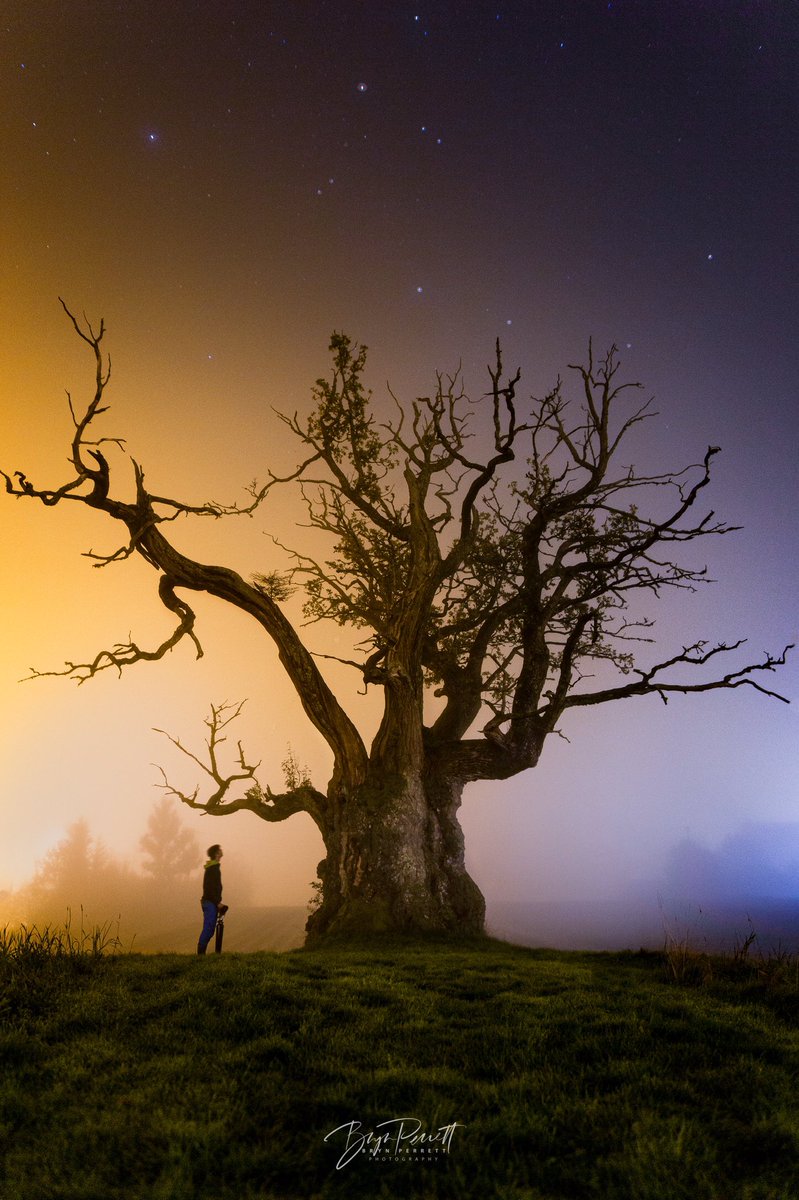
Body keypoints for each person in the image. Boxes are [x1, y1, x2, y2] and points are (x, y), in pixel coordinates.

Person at [197, 844, 223, 955]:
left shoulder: (214, 867)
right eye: (220, 850)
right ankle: (200, 955)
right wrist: (217, 902)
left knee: (210, 929)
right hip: (210, 902)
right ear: (217, 853)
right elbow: (210, 888)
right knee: (208, 929)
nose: (222, 851)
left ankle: (201, 954)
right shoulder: (213, 869)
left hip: (210, 902)